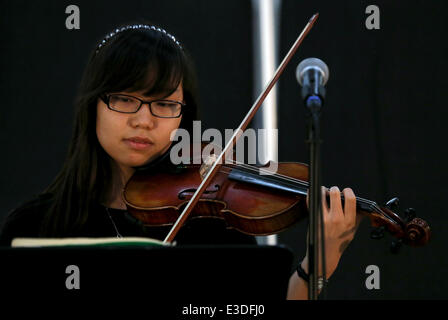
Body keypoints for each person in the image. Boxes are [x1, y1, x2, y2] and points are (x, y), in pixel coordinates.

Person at [0, 22, 360, 299]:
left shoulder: (214, 229)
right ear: (93, 104)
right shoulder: (34, 227)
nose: (144, 120)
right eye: (125, 99)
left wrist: (320, 260)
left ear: (183, 115)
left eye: (164, 103)